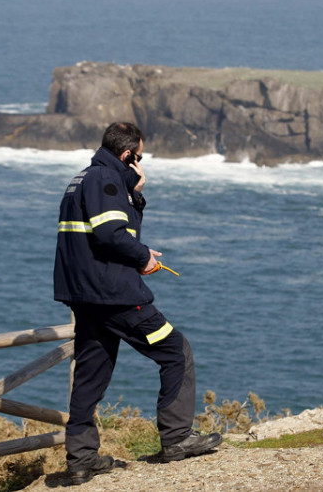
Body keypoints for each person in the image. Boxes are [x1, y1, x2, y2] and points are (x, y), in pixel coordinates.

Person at [54, 122, 221, 485]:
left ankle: (81, 459)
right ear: (128, 155)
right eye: (139, 158)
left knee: (91, 372)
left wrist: (135, 195)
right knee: (176, 350)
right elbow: (112, 233)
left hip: (84, 295)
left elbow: (110, 231)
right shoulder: (106, 181)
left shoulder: (82, 180)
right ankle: (176, 438)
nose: (140, 164)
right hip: (115, 294)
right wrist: (143, 256)